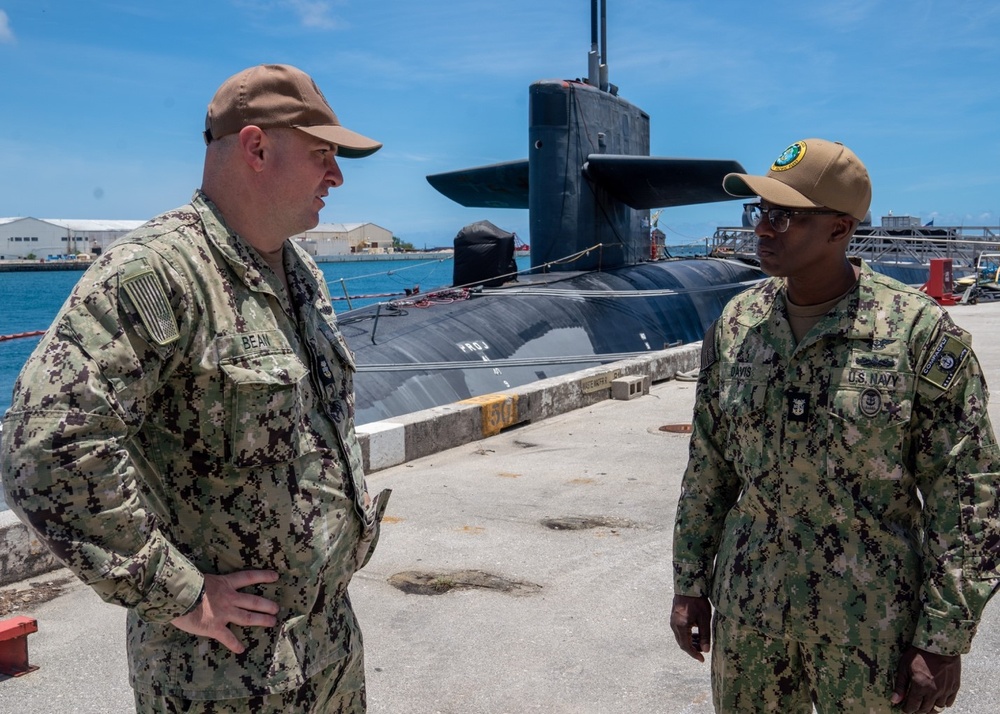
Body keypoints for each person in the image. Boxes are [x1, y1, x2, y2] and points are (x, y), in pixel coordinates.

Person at [1, 63, 391, 713]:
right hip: (223, 679)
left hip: (327, 657)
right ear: (257, 147)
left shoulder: (302, 276)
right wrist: (177, 591)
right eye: (322, 155)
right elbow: (45, 449)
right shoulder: (158, 273)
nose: (338, 176)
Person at [669, 138, 999, 714]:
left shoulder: (915, 332)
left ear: (840, 228)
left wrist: (944, 637)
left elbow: (967, 493)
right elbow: (709, 466)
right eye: (760, 212)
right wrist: (689, 583)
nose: (764, 229)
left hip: (871, 632)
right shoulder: (739, 323)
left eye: (786, 215)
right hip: (752, 621)